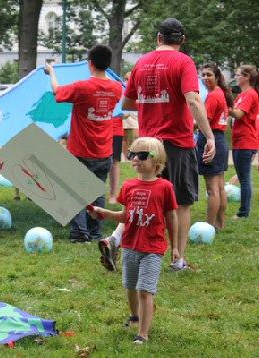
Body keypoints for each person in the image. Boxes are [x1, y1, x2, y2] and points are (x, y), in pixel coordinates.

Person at [121, 18, 215, 271]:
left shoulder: (141, 63)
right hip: (176, 143)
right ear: (182, 40)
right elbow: (193, 100)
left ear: (158, 38)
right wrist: (210, 135)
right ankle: (178, 260)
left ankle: (121, 242)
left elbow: (127, 104)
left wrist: (151, 100)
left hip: (147, 142)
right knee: (181, 202)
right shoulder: (183, 61)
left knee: (145, 199)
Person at [87, 137, 178, 344]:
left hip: (152, 248)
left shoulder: (164, 187)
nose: (135, 158)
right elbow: (125, 217)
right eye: (132, 154)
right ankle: (136, 316)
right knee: (130, 287)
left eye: (142, 155)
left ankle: (143, 334)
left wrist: (175, 247)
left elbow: (171, 218)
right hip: (130, 246)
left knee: (144, 290)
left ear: (157, 162)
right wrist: (103, 213)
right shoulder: (128, 186)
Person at [46, 44, 122, 242]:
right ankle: (95, 232)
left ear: (90, 63)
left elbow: (57, 92)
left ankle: (80, 234)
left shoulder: (82, 87)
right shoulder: (116, 88)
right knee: (97, 193)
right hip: (104, 150)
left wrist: (51, 72)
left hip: (81, 150)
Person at [198, 63, 232, 229]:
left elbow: (205, 121)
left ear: (217, 77)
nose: (205, 78)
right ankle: (220, 224)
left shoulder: (213, 96)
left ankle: (209, 226)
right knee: (219, 186)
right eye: (203, 75)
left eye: (209, 75)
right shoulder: (220, 93)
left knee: (213, 189)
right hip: (220, 140)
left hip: (211, 141)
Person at [228, 65, 259, 219]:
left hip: (246, 141)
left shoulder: (250, 94)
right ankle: (244, 211)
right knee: (243, 177)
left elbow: (239, 115)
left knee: (244, 178)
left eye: (238, 74)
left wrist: (225, 103)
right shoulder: (242, 95)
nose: (236, 77)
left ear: (247, 77)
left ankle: (243, 213)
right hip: (239, 140)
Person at [122, 72, 139, 156]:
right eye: (127, 79)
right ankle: (126, 157)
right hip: (125, 114)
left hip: (135, 114)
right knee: (125, 138)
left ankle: (135, 154)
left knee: (136, 136)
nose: (128, 81)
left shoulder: (137, 85)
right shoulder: (122, 87)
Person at [109, 115, 124, 204]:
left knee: (114, 162)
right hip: (96, 129)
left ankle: (113, 195)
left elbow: (126, 113)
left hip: (115, 130)